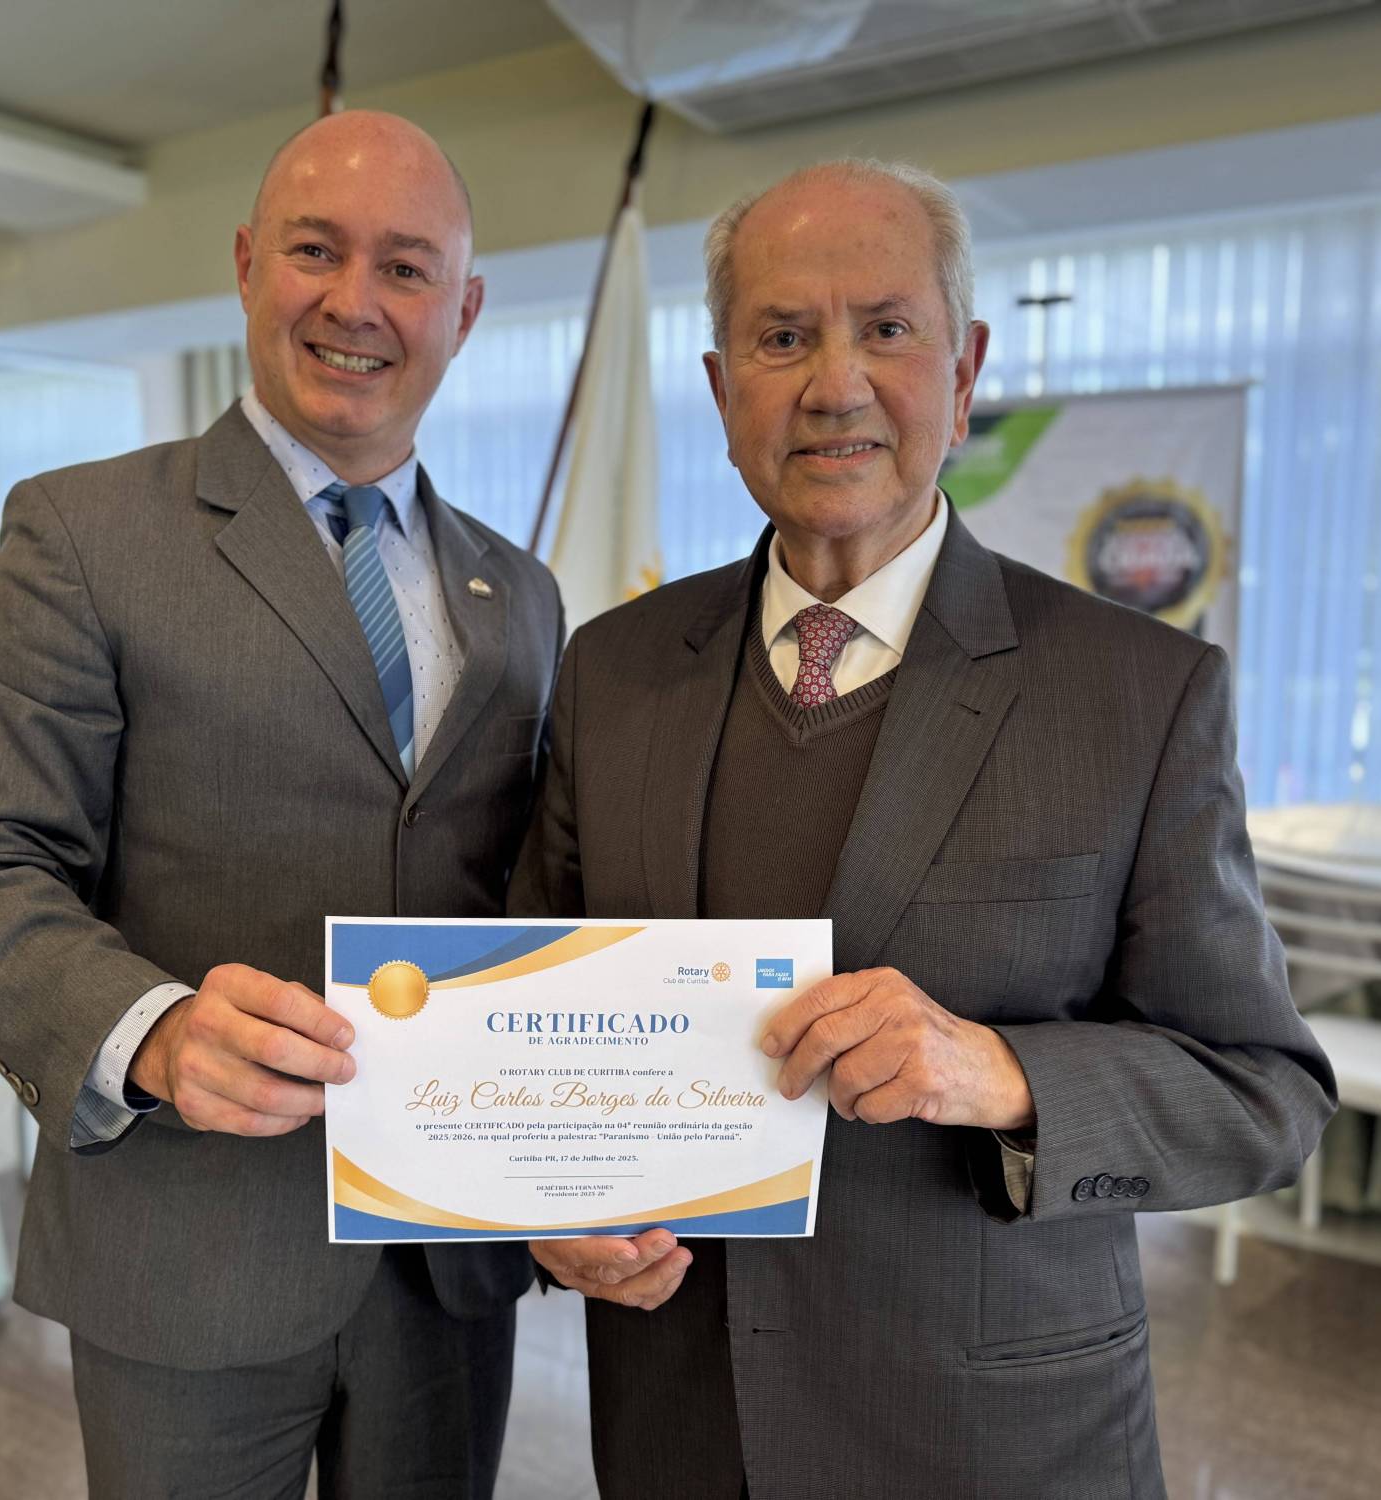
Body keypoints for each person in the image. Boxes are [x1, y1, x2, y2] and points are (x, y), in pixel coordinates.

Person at [511, 158, 1336, 1499]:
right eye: (784, 337)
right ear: (721, 391)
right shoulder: (612, 672)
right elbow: (529, 1016)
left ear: (965, 375)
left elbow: (1262, 1092)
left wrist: (1001, 1074)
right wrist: (549, 1212)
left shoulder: (1138, 692)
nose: (835, 384)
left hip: (995, 1443)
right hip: (682, 1426)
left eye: (887, 329)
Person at [0, 110, 561, 1499]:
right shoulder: (82, 534)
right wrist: (147, 1032)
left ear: (464, 310)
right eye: (316, 251)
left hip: (449, 1255)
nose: (355, 302)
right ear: (249, 265)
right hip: (185, 1252)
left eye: (406, 267)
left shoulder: (522, 591)